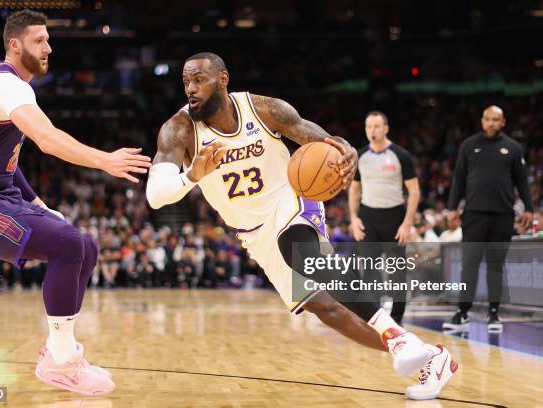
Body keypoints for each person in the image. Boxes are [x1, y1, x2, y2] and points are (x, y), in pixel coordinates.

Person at [146, 52, 457, 400]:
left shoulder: (264, 109)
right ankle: (429, 355)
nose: (191, 88)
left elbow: (322, 141)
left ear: (222, 79)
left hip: (291, 197)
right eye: (186, 81)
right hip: (254, 231)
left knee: (298, 249)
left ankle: (399, 338)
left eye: (198, 79)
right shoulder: (179, 129)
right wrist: (192, 175)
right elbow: (156, 195)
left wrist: (346, 152)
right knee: (328, 309)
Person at [0, 10, 151, 395]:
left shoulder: (17, 89)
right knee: (68, 245)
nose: (49, 47)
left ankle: (60, 353)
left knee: (85, 246)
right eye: (40, 40)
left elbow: (6, 161)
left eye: (48, 39)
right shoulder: (6, 88)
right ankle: (62, 360)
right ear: (15, 45)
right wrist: (106, 160)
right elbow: (49, 141)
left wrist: (36, 202)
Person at [443, 105, 534, 333]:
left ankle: (494, 313)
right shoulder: (469, 145)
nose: (491, 123)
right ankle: (462, 312)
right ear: (482, 121)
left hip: (503, 215)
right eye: (488, 119)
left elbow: (522, 181)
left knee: (496, 266)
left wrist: (530, 209)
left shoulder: (513, 148)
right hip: (473, 215)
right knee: (469, 265)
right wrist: (452, 208)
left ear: (503, 122)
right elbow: (459, 179)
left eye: (496, 119)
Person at [348, 111, 420, 325]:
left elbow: (414, 191)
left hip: (395, 217)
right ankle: (375, 319)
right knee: (369, 270)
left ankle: (397, 319)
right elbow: (354, 190)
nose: (373, 130)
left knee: (398, 272)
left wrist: (407, 223)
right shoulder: (360, 156)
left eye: (377, 126)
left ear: (386, 128)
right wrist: (353, 217)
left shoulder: (401, 155)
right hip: (368, 216)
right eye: (369, 126)